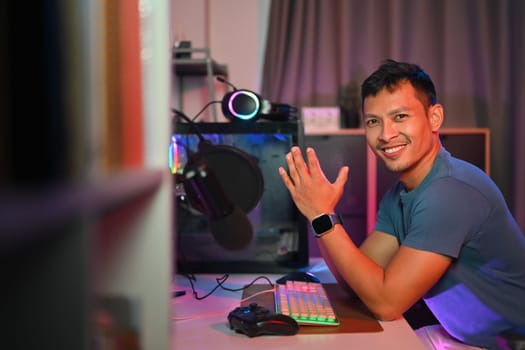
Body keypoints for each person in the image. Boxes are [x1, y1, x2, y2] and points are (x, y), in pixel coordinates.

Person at [278, 59, 525, 349]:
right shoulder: (400, 194)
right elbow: (356, 284)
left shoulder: (450, 191)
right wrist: (322, 214)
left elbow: (385, 303)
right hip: (459, 336)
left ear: (434, 118)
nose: (385, 134)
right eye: (373, 121)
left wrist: (321, 215)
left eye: (400, 117)